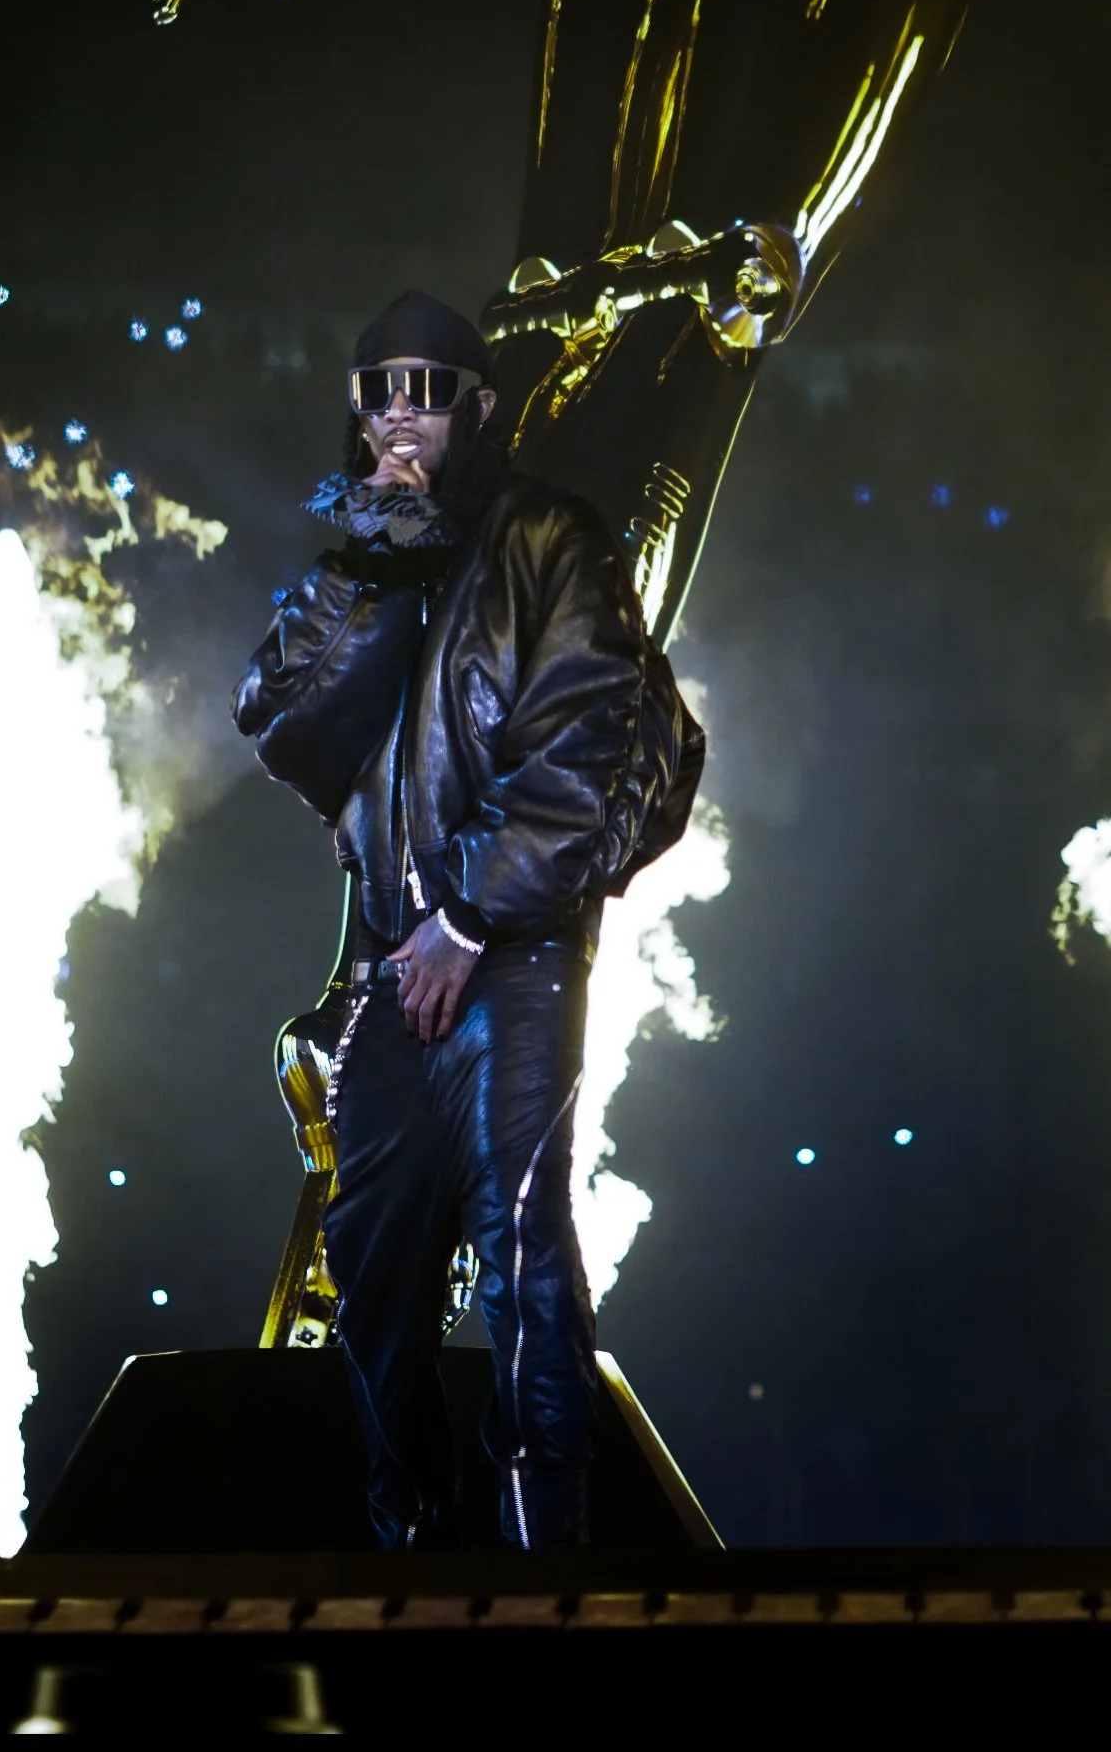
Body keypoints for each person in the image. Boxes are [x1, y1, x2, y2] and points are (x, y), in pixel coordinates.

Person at [234, 288, 703, 1548]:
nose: (402, 414)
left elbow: (589, 742)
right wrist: (380, 563)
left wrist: (469, 914)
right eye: (379, 390)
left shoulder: (549, 537)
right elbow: (285, 727)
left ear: (479, 406)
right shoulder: (363, 559)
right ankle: (410, 1538)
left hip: (512, 946)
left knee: (520, 1242)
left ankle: (548, 1548)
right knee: (372, 1255)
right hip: (400, 962)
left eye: (428, 389)